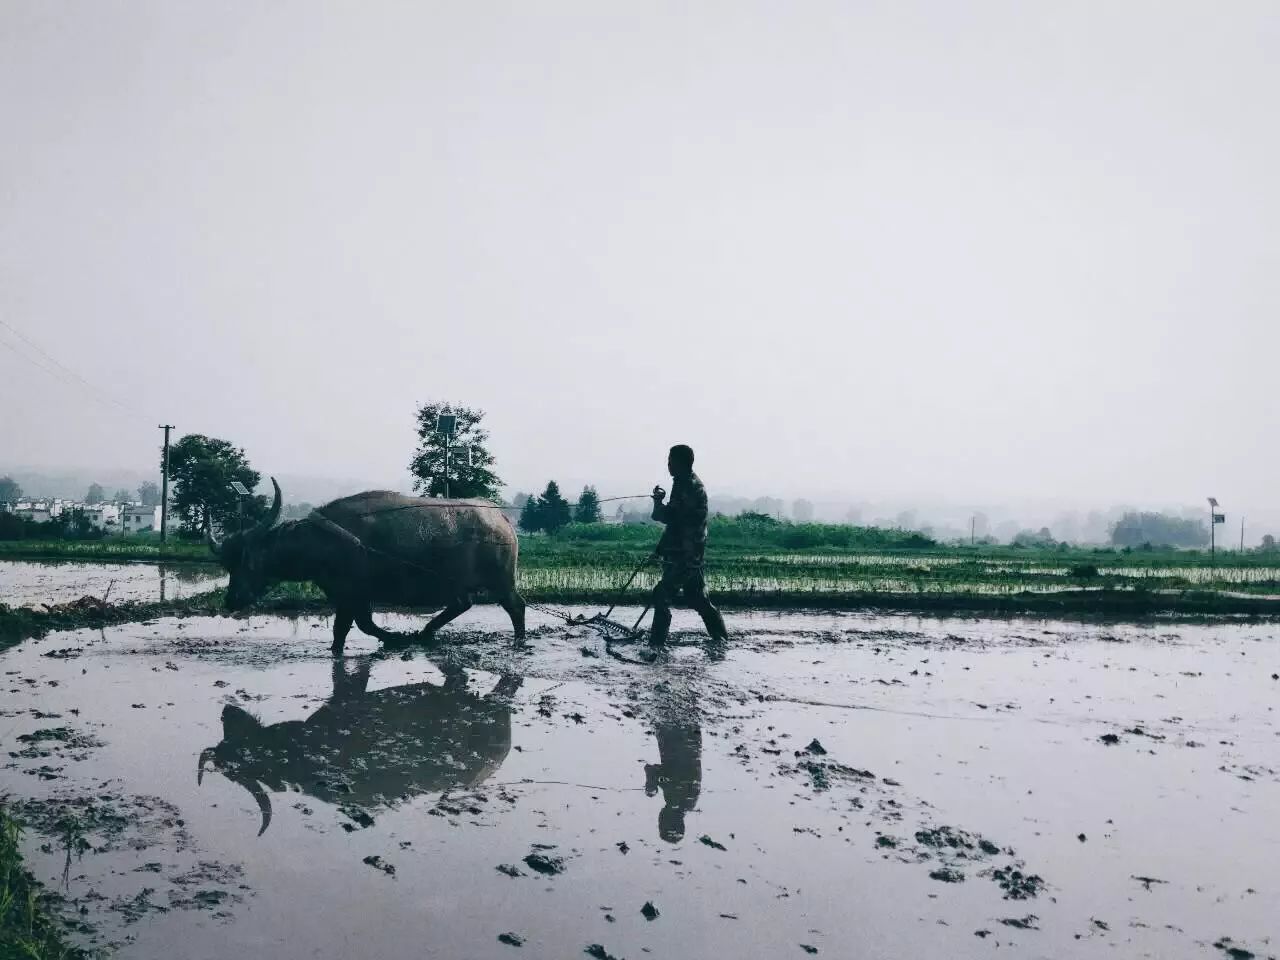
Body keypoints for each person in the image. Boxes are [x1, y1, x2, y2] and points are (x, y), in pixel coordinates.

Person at [648, 444, 729, 650]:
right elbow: (676, 524)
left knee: (662, 594)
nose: (668, 465)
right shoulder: (682, 483)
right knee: (697, 597)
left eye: (670, 461)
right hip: (687, 552)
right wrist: (659, 549)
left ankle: (656, 645)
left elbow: (667, 516)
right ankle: (720, 639)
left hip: (686, 554)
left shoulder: (689, 487)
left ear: (681, 463)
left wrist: (658, 502)